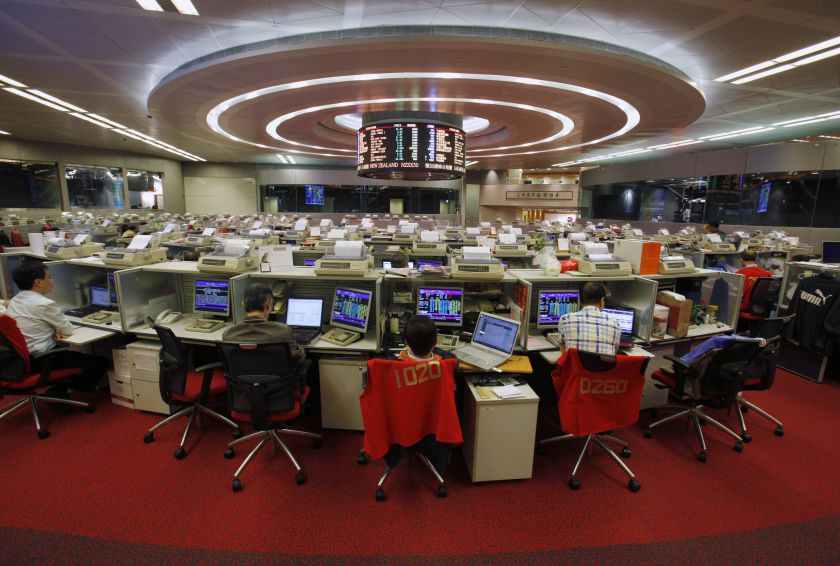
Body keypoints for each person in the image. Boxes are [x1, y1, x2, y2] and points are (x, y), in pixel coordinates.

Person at [5, 262, 107, 395]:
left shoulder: (16, 300)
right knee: (99, 362)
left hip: (17, 360)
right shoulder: (44, 304)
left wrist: (52, 330)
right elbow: (67, 330)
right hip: (40, 359)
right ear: (38, 282)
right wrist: (55, 330)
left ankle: (63, 387)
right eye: (49, 277)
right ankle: (67, 391)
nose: (52, 280)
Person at [222, 283, 303, 363]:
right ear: (269, 304)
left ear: (243, 305)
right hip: (276, 375)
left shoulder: (228, 334)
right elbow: (298, 357)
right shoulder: (282, 331)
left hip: (240, 376)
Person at [556, 281, 621, 356]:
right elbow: (614, 352)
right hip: (604, 367)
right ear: (602, 301)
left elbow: (563, 351)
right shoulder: (615, 323)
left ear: (580, 300)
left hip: (574, 367)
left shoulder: (565, 319)